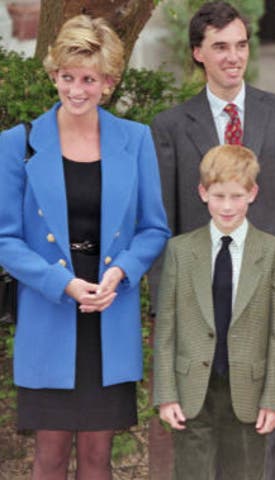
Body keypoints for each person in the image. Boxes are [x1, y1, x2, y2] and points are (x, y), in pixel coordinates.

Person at [0, 15, 170, 479]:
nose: (77, 89)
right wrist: (64, 284)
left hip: (109, 311)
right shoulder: (19, 144)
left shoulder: (134, 140)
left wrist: (120, 273)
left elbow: (154, 228)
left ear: (109, 82)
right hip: (50, 309)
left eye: (89, 79)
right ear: (54, 74)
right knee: (49, 458)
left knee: (97, 460)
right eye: (68, 77)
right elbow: (5, 239)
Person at [150, 3, 275, 477]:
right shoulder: (171, 126)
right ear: (198, 53)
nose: (233, 56)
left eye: (241, 45)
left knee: (262, 434)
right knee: (200, 432)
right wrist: (166, 306)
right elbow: (166, 221)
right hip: (202, 298)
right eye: (220, 46)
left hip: (267, 296)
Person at [153, 144, 275, 480]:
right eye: (218, 196)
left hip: (247, 389)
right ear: (203, 193)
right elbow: (167, 327)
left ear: (253, 193)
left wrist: (274, 399)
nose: (227, 206)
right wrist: (166, 394)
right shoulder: (180, 250)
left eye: (236, 196)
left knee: (244, 471)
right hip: (193, 389)